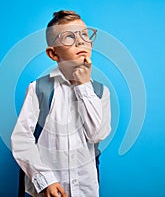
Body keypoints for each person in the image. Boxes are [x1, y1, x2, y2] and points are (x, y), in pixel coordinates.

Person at [11, 10, 111, 197]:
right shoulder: (38, 89)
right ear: (53, 54)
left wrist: (83, 86)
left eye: (84, 34)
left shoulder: (101, 92)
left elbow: (97, 134)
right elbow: (21, 140)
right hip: (46, 189)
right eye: (68, 37)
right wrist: (46, 180)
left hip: (85, 188)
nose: (81, 41)